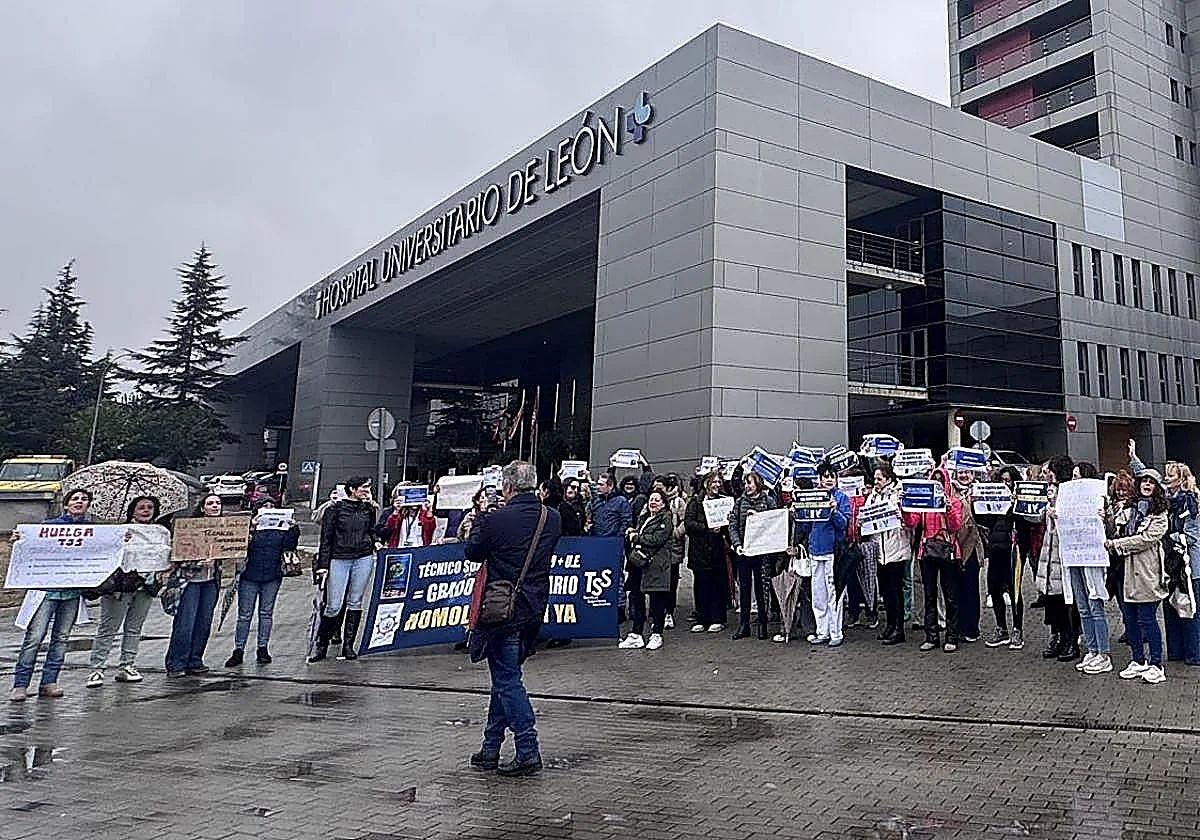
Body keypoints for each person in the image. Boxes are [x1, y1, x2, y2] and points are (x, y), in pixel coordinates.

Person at [465, 461, 561, 777]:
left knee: (507, 680)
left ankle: (528, 749)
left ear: (507, 487)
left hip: (501, 608)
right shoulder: (552, 517)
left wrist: (480, 521)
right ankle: (491, 747)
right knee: (505, 678)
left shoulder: (496, 519)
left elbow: (473, 552)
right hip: (533, 606)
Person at [10, 488, 92, 702]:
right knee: (34, 637)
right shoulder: (49, 526)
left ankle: (49, 681)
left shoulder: (92, 531)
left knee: (61, 638)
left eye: (84, 500)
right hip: (45, 591)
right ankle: (20, 684)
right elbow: (31, 549)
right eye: (75, 499)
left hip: (72, 593)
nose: (79, 502)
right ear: (66, 505)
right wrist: (19, 539)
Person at [85, 495, 168, 688]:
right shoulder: (121, 531)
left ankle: (127, 665)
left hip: (146, 585)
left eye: (150, 507)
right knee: (108, 627)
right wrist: (119, 540)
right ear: (132, 511)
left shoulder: (162, 532)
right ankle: (97, 668)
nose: (146, 510)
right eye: (141, 507)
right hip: (121, 586)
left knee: (134, 628)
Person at [1106, 469, 1170, 684]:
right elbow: (1115, 528)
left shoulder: (1160, 514)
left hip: (1146, 574)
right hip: (1124, 572)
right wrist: (1106, 515)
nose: (1147, 485)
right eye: (1144, 481)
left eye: (1152, 482)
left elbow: (1145, 539)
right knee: (1130, 620)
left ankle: (1156, 664)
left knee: (1148, 620)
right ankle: (1137, 660)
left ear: (1157, 488)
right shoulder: (1130, 508)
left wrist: (1117, 545)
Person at [310, 476, 378, 663]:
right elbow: (326, 539)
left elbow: (371, 530)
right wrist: (324, 566)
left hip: (363, 557)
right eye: (363, 487)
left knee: (355, 601)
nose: (366, 491)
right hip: (339, 558)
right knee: (334, 604)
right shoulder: (335, 510)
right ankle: (322, 643)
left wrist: (376, 542)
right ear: (352, 489)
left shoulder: (368, 509)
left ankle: (348, 645)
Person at [225, 505, 300, 667]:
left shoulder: (282, 528)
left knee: (266, 613)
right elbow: (238, 545)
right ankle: (238, 649)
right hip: (249, 575)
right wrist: (251, 528)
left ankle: (262, 648)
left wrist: (293, 528)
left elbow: (289, 546)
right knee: (244, 615)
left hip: (272, 575)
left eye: (271, 507)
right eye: (264, 507)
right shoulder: (251, 527)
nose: (268, 510)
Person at [165, 493, 228, 678]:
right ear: (202, 508)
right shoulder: (189, 528)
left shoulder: (226, 527)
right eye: (210, 503)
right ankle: (176, 663)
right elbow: (178, 555)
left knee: (203, 623)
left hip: (210, 582)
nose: (215, 506)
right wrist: (198, 562)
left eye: (218, 503)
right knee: (186, 623)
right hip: (190, 581)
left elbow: (232, 550)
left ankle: (195, 659)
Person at [794, 462, 851, 647]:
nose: (828, 480)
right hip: (815, 550)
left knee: (834, 592)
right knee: (818, 593)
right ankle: (822, 630)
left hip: (833, 551)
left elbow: (844, 525)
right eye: (825, 477)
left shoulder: (842, 498)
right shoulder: (812, 496)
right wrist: (798, 512)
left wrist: (833, 510)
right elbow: (805, 526)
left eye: (831, 476)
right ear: (819, 479)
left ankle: (836, 632)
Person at [864, 465, 915, 645]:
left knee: (896, 591)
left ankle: (899, 628)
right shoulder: (873, 496)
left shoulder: (898, 494)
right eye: (875, 479)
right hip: (880, 550)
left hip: (896, 549)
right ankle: (890, 625)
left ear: (889, 479)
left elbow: (906, 520)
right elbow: (866, 515)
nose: (876, 482)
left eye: (879, 479)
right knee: (885, 591)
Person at [1035, 456, 1080, 663]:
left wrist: (1058, 514)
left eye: (1050, 471)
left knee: (1067, 601)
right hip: (1050, 550)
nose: (1047, 475)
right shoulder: (1049, 492)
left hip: (1065, 552)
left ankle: (1071, 639)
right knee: (1053, 600)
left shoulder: (1071, 492)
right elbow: (1039, 519)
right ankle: (1057, 636)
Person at [618, 489, 675, 650]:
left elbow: (657, 539)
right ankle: (636, 634)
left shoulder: (666, 519)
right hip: (640, 565)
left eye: (657, 500)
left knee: (657, 601)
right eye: (651, 499)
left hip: (657, 566)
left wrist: (636, 537)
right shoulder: (644, 518)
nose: (653, 502)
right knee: (637, 598)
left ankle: (657, 634)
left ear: (664, 503)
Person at [976, 466, 1024, 650]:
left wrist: (1016, 505)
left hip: (1012, 550)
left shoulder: (1018, 500)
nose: (1005, 483)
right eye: (1002, 480)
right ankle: (1001, 628)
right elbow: (983, 519)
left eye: (1008, 480)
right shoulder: (993, 500)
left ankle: (1017, 630)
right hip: (995, 549)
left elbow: (1025, 522)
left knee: (1015, 591)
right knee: (994, 588)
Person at [916, 467, 964, 653]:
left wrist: (948, 508)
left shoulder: (953, 501)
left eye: (940, 480)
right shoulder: (925, 504)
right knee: (929, 595)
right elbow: (913, 522)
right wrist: (904, 508)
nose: (937, 483)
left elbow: (955, 526)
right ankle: (931, 636)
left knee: (950, 595)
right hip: (927, 551)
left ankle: (952, 636)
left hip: (947, 552)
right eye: (933, 480)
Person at [727, 471, 776, 641]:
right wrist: (737, 545)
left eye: (750, 483)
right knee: (745, 588)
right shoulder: (739, 502)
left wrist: (759, 517)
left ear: (758, 484)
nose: (747, 486)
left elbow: (774, 522)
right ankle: (744, 624)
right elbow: (732, 524)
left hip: (762, 552)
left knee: (762, 589)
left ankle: (763, 623)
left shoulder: (768, 501)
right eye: (746, 483)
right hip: (744, 552)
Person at [683, 471, 729, 633]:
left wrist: (722, 528)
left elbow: (729, 524)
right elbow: (689, 524)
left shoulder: (724, 501)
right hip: (699, 551)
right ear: (705, 484)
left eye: (719, 482)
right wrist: (707, 529)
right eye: (713, 482)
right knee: (701, 585)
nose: (717, 485)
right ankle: (702, 618)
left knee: (717, 584)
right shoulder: (695, 502)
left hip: (717, 550)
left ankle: (718, 618)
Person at [1164, 460, 1200, 665]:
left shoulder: (1189, 502)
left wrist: (1169, 536)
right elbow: (1146, 478)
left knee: (1189, 611)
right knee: (1171, 607)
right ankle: (1176, 652)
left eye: (1171, 474)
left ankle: (1194, 654)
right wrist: (1134, 459)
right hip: (1171, 565)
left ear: (1181, 479)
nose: (1166, 478)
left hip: (1189, 566)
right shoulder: (1168, 500)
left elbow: (1191, 536)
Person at [950, 468, 985, 643]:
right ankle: (956, 626)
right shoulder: (949, 490)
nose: (964, 476)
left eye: (968, 472)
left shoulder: (981, 491)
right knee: (954, 589)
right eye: (961, 472)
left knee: (971, 588)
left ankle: (971, 628)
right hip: (953, 546)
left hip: (971, 547)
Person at [661, 474, 687, 629]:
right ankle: (659, 611)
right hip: (659, 548)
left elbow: (685, 520)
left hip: (673, 549)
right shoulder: (656, 500)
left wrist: (677, 532)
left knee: (671, 582)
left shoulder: (679, 502)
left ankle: (669, 612)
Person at [590, 473, 632, 538]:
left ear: (610, 486)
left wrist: (618, 537)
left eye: (601, 485)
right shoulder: (596, 501)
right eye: (597, 484)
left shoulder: (621, 501)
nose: (597, 487)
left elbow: (626, 522)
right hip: (596, 540)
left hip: (613, 541)